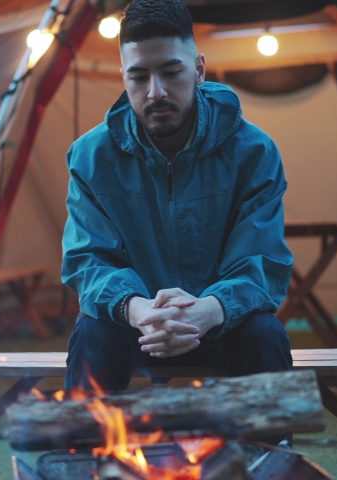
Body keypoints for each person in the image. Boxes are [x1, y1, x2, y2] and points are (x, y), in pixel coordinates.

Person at [61, 0, 293, 394]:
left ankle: (270, 453)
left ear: (199, 69)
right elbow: (87, 260)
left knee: (264, 334)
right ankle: (82, 452)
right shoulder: (90, 157)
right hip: (136, 325)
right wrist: (137, 309)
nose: (155, 92)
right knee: (92, 333)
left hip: (222, 323)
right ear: (123, 77)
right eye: (138, 77)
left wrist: (210, 309)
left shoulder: (253, 151)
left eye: (171, 72)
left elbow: (262, 261)